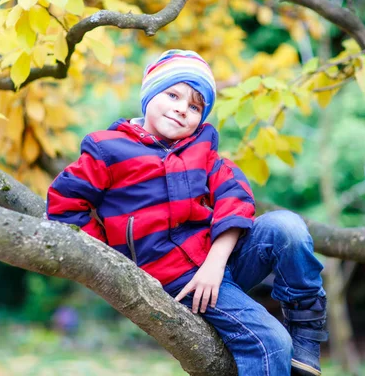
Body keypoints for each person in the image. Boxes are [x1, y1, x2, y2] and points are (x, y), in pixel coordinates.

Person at [47, 49, 328, 376]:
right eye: (173, 94)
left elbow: (235, 194)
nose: (182, 109)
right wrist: (112, 259)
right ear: (150, 93)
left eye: (195, 106)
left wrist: (215, 262)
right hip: (176, 280)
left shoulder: (202, 148)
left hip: (218, 261)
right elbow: (64, 205)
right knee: (270, 341)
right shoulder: (107, 148)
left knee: (287, 227)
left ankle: (306, 332)